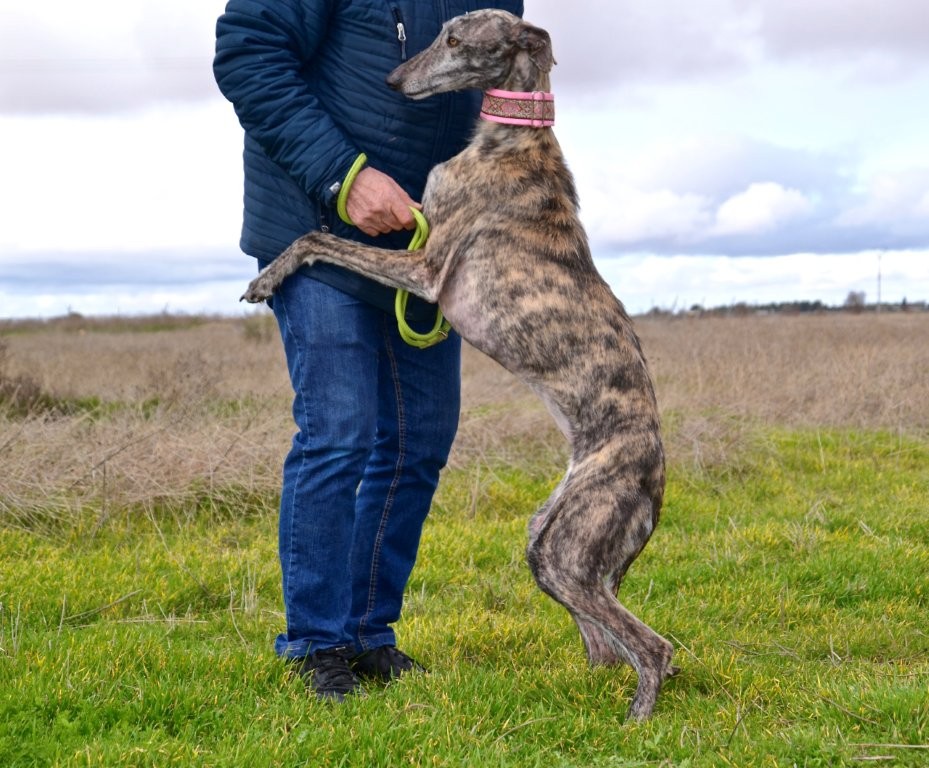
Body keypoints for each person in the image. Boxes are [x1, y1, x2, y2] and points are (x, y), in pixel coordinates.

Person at [213, 0, 523, 701]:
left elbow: (498, 87)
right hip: (317, 225)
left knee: (418, 440)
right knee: (341, 429)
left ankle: (367, 633)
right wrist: (342, 176)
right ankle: (317, 643)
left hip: (425, 244)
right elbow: (247, 53)